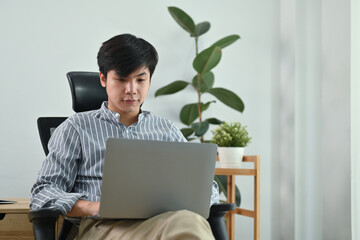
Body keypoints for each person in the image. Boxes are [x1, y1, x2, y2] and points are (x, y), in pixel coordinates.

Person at [30, 33, 219, 239]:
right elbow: (44, 192)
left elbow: (205, 188)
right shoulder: (76, 128)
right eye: (121, 79)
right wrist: (93, 206)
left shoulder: (167, 130)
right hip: (102, 226)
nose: (131, 90)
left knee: (189, 222)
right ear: (103, 79)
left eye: (140, 80)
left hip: (163, 223)